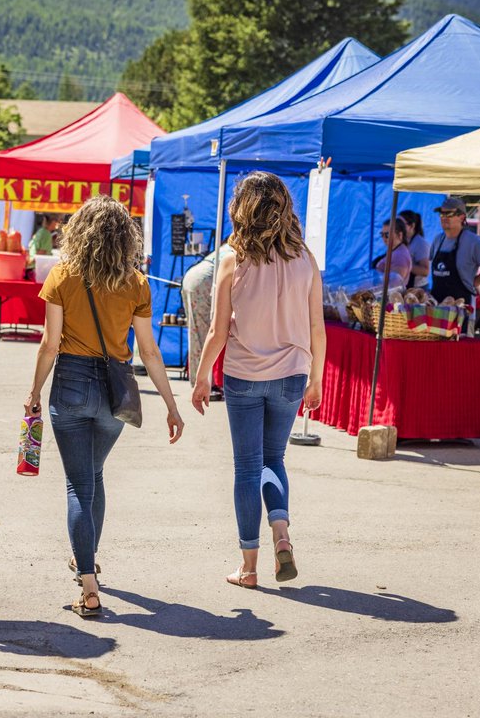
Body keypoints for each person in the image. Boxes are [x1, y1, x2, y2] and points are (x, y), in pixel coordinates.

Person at [25, 196, 184, 619]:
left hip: (71, 385)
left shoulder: (62, 276)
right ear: (125, 239)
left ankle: (89, 586)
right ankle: (86, 556)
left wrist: (34, 391)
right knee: (93, 476)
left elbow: (49, 344)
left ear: (79, 232)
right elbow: (149, 351)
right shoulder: (137, 284)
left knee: (80, 484)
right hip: (116, 391)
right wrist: (171, 406)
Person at [191, 171, 326, 590]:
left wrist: (201, 378)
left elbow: (216, 332)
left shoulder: (232, 260)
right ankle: (281, 532)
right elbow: (317, 327)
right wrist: (317, 379)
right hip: (292, 375)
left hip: (244, 375)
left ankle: (248, 568)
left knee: (247, 468)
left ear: (242, 210)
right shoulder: (305, 259)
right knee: (275, 459)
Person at [429, 197, 480, 306]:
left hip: (462, 309)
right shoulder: (438, 240)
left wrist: (476, 282)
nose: (444, 217)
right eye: (442, 214)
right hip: (437, 307)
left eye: (449, 214)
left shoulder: (472, 241)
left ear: (461, 217)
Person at [181, 245, 231, 398]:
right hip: (206, 280)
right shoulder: (240, 249)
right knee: (207, 334)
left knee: (196, 333)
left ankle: (200, 381)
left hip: (193, 277)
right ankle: (206, 383)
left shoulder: (227, 247)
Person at [373, 217, 413, 288]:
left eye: (387, 235)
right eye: (382, 235)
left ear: (400, 235)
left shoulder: (400, 256)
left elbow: (393, 285)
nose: (384, 238)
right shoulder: (396, 251)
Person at [399, 209, 431, 288]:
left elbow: (425, 271)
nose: (397, 227)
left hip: (418, 289)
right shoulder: (401, 241)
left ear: (412, 226)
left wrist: (404, 265)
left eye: (401, 224)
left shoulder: (421, 244)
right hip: (405, 286)